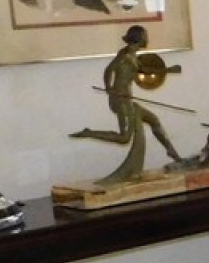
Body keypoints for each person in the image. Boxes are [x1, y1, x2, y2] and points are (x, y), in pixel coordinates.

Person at [71, 25, 184, 174]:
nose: (147, 39)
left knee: (154, 120)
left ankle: (171, 151)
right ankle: (89, 133)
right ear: (139, 38)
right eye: (145, 36)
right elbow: (109, 70)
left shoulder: (132, 55)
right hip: (121, 100)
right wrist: (108, 88)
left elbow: (144, 70)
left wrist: (167, 70)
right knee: (124, 138)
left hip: (127, 99)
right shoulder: (125, 55)